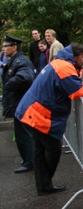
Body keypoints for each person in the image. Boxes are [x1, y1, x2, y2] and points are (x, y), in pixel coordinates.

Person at [15, 43, 83, 196]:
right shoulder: (64, 68)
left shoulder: (60, 63)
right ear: (74, 56)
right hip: (38, 114)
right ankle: (45, 183)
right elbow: (78, 91)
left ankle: (44, 186)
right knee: (53, 147)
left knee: (40, 150)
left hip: (32, 111)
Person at [1, 35, 36, 173]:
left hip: (22, 104)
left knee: (24, 134)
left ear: (14, 47)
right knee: (22, 134)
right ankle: (28, 160)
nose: (3, 49)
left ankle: (29, 162)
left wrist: (8, 85)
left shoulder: (20, 61)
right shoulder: (14, 60)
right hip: (18, 104)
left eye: (5, 46)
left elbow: (25, 78)